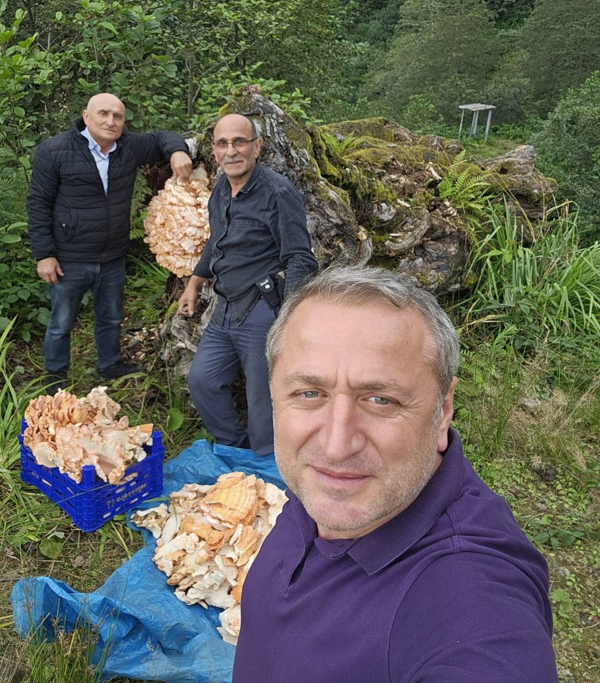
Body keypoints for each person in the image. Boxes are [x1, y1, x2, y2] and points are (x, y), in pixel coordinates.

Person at [233, 265, 559, 682]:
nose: (336, 446)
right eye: (310, 393)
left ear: (442, 411)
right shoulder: (339, 489)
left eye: (380, 400)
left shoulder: (469, 596)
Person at [27, 92, 192, 393]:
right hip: (69, 257)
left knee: (111, 316)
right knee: (61, 322)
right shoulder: (55, 151)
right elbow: (38, 204)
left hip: (113, 255)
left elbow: (162, 137)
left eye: (117, 116)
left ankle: (109, 365)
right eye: (103, 113)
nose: (110, 121)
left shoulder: (128, 147)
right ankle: (55, 379)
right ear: (86, 116)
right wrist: (44, 254)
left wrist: (177, 151)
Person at [178, 113, 318, 456]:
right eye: (223, 143)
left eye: (240, 141)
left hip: (261, 309)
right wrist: (194, 281)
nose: (232, 151)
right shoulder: (221, 189)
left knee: (262, 403)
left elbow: (300, 258)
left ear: (257, 146)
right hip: (224, 306)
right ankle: (236, 452)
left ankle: (271, 468)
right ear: (214, 150)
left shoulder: (278, 193)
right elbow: (216, 240)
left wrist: (291, 319)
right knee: (203, 382)